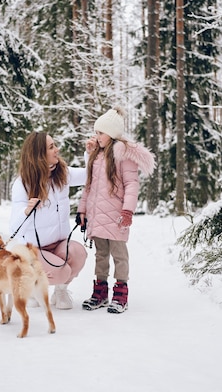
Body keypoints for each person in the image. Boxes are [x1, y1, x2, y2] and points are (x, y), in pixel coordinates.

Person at [77, 107, 155, 314]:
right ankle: (100, 292)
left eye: (100, 132)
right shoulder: (96, 156)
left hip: (117, 216)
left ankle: (121, 293)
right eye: (96, 132)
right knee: (100, 255)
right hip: (97, 216)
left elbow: (131, 184)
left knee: (119, 255)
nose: (96, 136)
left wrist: (128, 211)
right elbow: (89, 186)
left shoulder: (124, 156)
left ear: (110, 134)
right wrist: (82, 211)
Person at [9, 132, 91, 310]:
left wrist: (90, 154)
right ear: (39, 153)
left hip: (59, 243)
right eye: (51, 147)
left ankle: (61, 291)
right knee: (62, 271)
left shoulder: (62, 174)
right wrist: (26, 211)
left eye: (55, 145)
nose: (57, 150)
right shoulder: (23, 184)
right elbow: (14, 228)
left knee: (78, 253)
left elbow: (88, 175)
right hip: (33, 249)